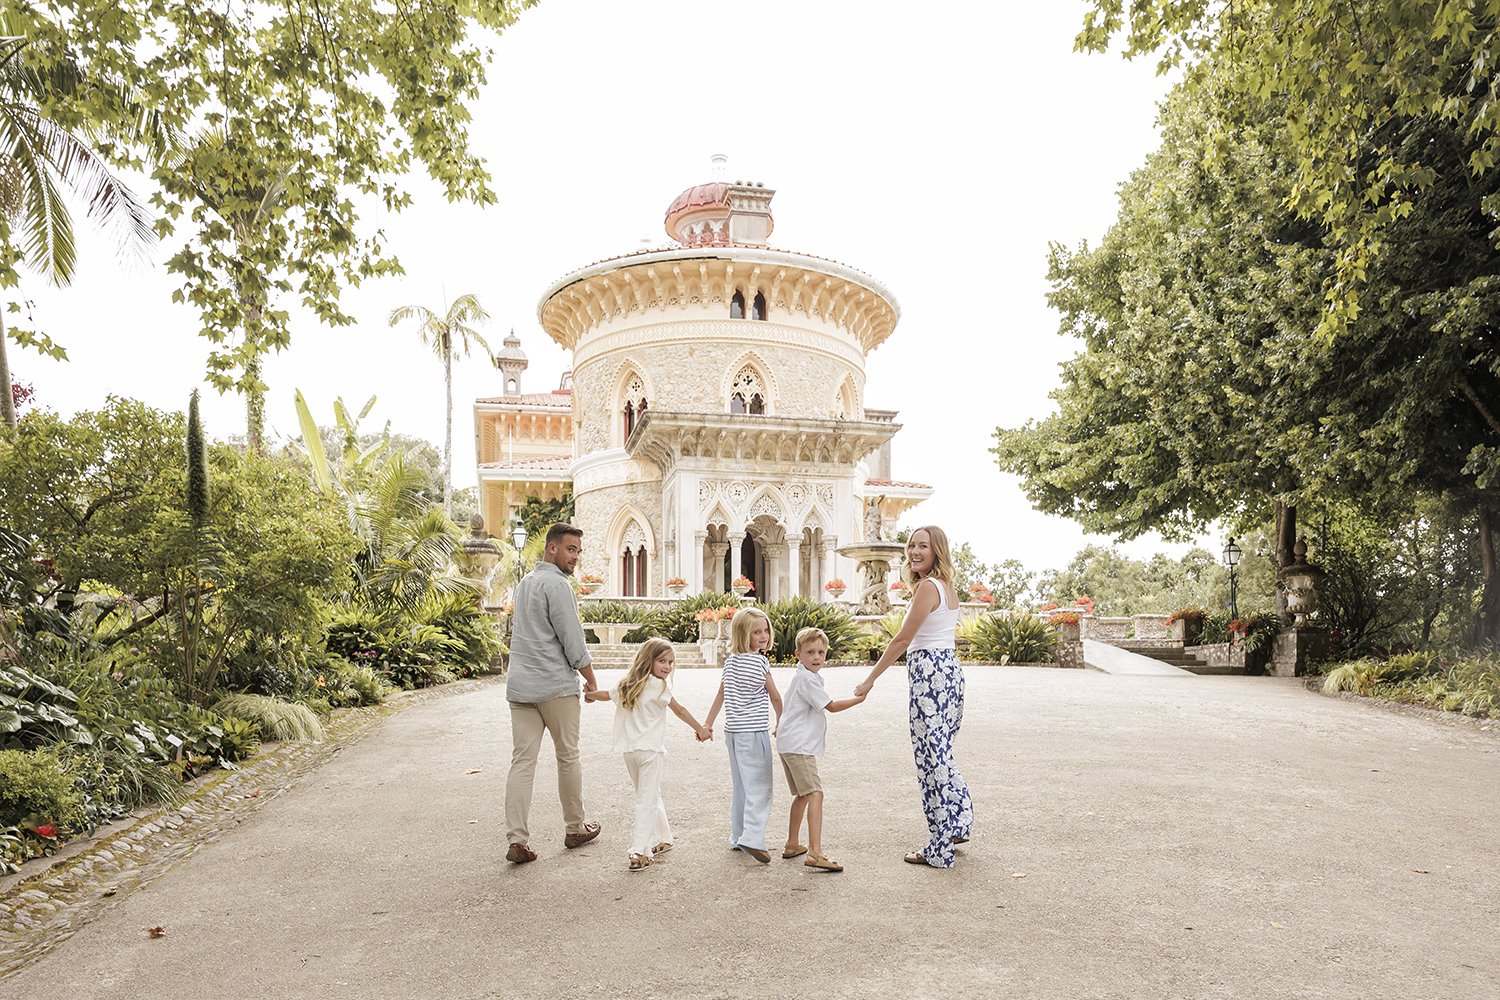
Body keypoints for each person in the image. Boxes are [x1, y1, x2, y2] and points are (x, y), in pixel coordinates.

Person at [854, 525, 973, 868]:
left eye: (923, 546)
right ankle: (958, 824)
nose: (914, 552)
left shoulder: (926, 588)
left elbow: (902, 641)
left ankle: (941, 844)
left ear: (937, 551)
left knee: (931, 758)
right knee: (942, 752)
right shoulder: (947, 587)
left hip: (930, 675)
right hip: (949, 671)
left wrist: (869, 680)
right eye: (911, 545)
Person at [504, 522, 602, 864]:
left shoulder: (526, 583)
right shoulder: (558, 586)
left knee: (522, 763)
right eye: (570, 549)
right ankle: (575, 828)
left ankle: (517, 838)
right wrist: (591, 681)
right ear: (552, 549)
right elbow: (572, 640)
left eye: (578, 551)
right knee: (568, 756)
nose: (575, 557)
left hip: (521, 689)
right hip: (555, 689)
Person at [584, 638, 712, 871]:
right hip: (650, 751)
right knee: (647, 799)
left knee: (650, 794)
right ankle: (639, 851)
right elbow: (679, 710)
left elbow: (607, 695)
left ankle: (663, 838)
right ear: (648, 660)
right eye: (662, 661)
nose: (667, 666)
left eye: (671, 662)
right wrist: (701, 729)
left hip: (630, 751)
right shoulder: (660, 687)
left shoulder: (628, 684)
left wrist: (591, 696)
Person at [777, 627, 865, 872]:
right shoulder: (806, 679)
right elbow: (832, 706)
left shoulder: (804, 677)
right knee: (815, 793)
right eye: (810, 652)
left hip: (790, 744)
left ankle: (792, 844)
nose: (816, 657)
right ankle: (815, 852)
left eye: (821, 652)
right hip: (799, 746)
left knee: (804, 795)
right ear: (797, 654)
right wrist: (860, 699)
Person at [703, 606, 783, 864]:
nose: (763, 636)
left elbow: (720, 694)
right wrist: (782, 721)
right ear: (742, 635)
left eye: (765, 630)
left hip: (733, 733)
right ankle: (753, 837)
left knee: (741, 786)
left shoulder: (730, 662)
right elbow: (775, 695)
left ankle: (738, 835)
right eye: (756, 632)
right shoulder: (760, 661)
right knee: (760, 786)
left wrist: (708, 724)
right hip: (754, 732)